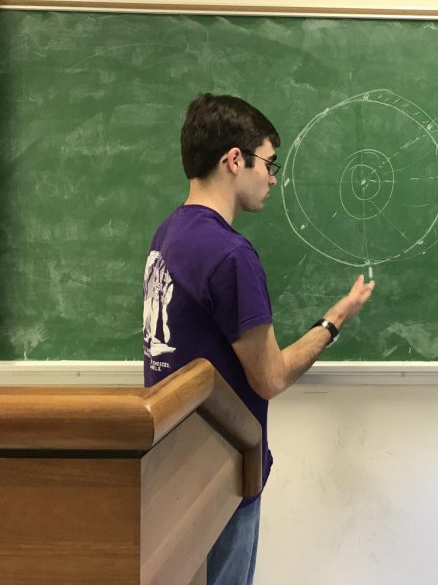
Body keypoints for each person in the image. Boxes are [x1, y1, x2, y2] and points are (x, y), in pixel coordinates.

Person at [142, 94, 374, 585]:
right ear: (233, 160)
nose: (273, 177)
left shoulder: (168, 235)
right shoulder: (231, 255)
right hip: (221, 475)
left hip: (171, 469)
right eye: (268, 162)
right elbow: (269, 377)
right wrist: (333, 321)